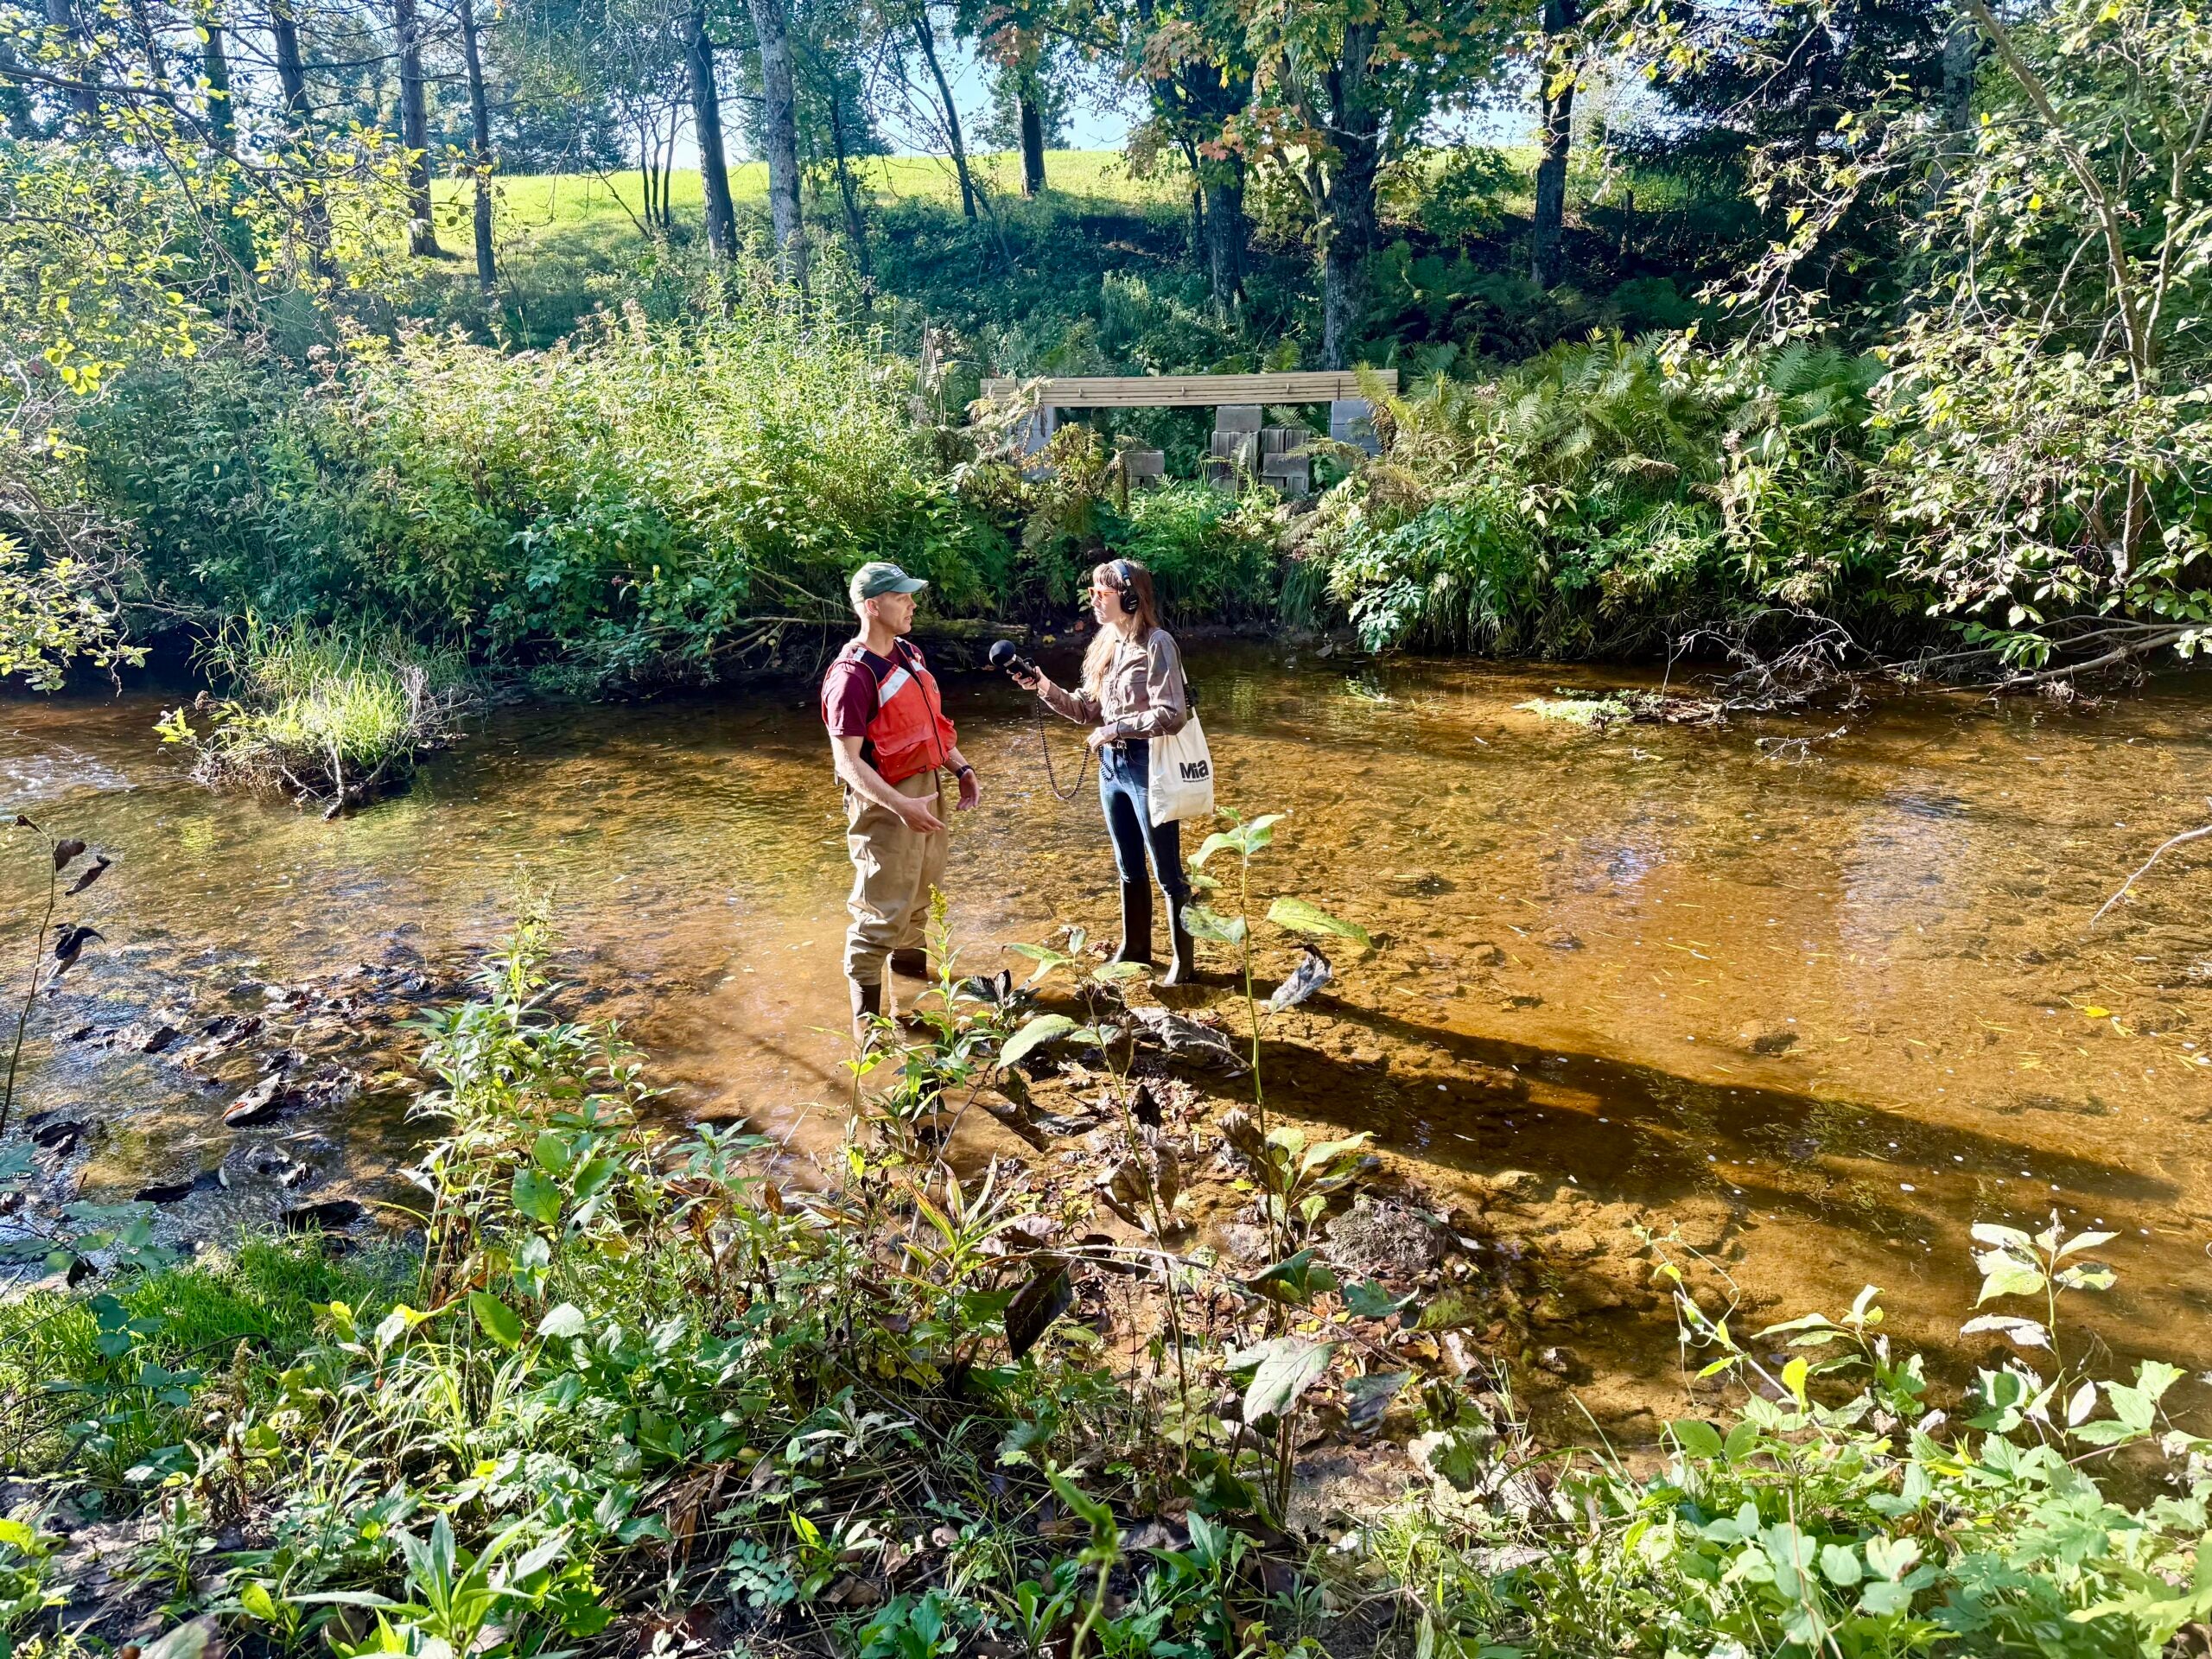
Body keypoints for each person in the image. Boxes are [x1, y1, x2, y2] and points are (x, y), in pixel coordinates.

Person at [1009, 557, 1195, 984]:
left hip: (1150, 766)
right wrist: (1041, 685)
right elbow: (1084, 710)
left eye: (1101, 593)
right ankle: (1136, 949)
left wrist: (1116, 728)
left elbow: (1172, 714)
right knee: (1128, 865)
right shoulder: (1106, 644)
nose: (1092, 600)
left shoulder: (1158, 643)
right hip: (1112, 767)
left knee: (1168, 871)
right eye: (1091, 592)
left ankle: (1184, 966)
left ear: (1130, 597)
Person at [821, 561, 979, 1038]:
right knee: (877, 918)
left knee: (917, 903)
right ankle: (867, 1036)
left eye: (911, 596)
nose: (913, 604)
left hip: (926, 796)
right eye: (902, 597)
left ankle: (913, 1010)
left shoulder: (910, 653)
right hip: (887, 809)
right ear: (873, 606)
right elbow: (847, 762)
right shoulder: (851, 676)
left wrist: (961, 768)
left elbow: (930, 726)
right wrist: (899, 805)